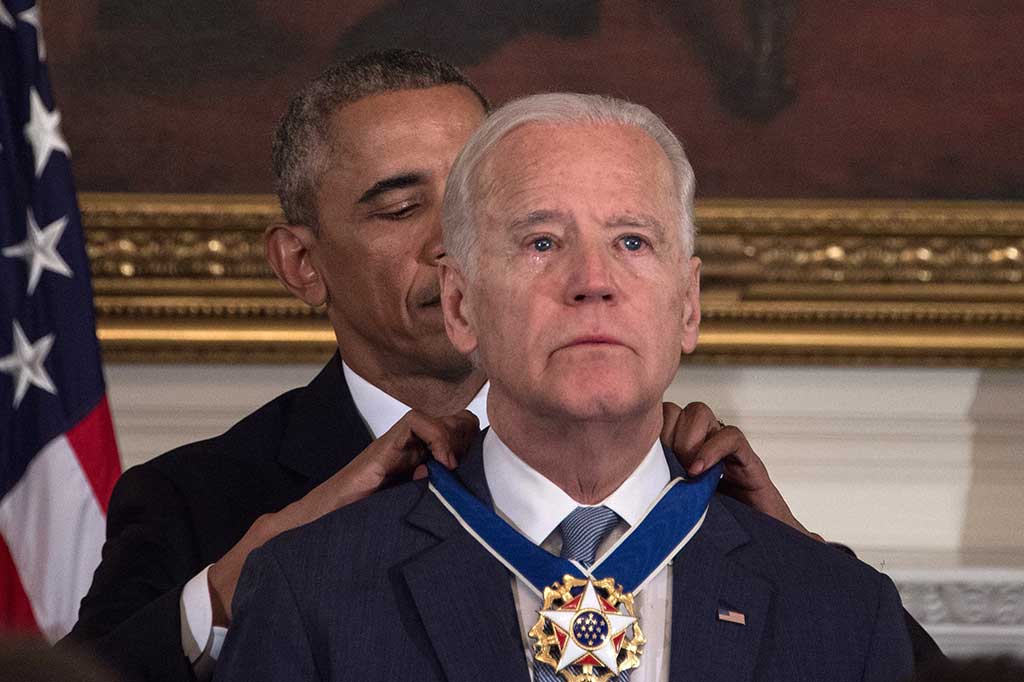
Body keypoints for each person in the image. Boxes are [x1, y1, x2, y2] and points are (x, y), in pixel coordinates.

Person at [65, 51, 796, 682]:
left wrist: (801, 554)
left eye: (481, 198)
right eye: (400, 208)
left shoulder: (688, 480)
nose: (452, 238)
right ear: (301, 263)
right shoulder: (198, 500)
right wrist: (233, 587)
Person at [214, 92, 916, 681]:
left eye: (632, 242)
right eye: (542, 242)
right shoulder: (310, 592)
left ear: (689, 305)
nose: (593, 283)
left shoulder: (841, 611)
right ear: (461, 306)